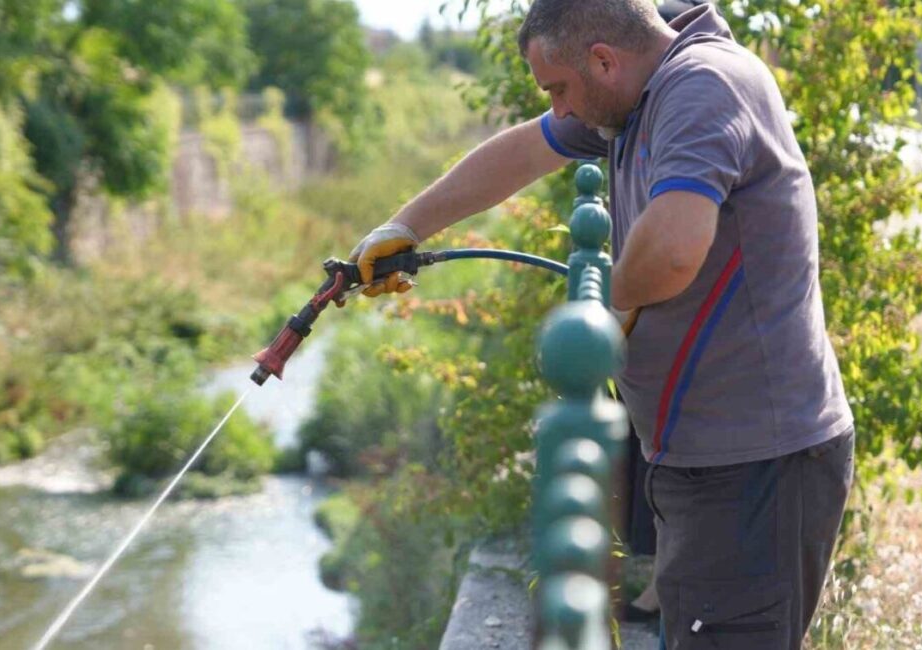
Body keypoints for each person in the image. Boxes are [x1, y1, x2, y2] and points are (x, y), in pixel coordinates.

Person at [348, 2, 855, 648]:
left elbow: (673, 250)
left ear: (604, 60)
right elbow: (525, 151)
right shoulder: (635, 93)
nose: (558, 109)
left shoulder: (701, 86)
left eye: (558, 89)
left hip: (759, 465)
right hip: (708, 456)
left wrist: (599, 312)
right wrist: (406, 227)